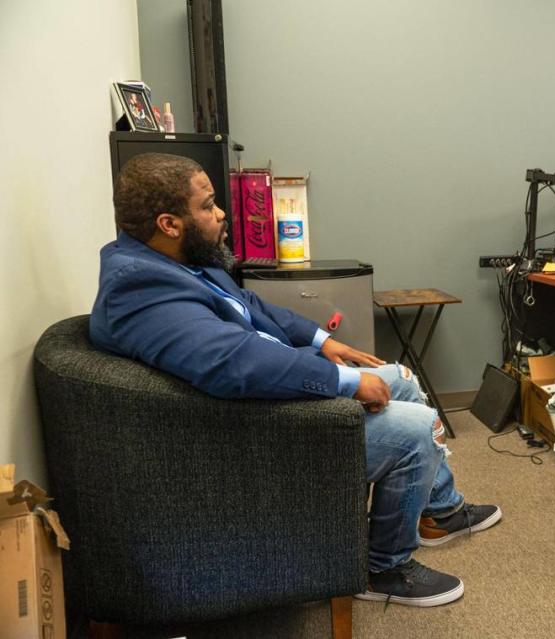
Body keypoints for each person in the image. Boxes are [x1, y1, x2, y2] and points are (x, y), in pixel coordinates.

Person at [90, 153, 502, 607]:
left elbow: (249, 304)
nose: (222, 213)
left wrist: (322, 340)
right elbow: (234, 363)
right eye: (207, 206)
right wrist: (342, 381)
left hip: (262, 395)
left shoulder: (179, 260)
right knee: (414, 431)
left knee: (399, 379)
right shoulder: (141, 288)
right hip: (244, 431)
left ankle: (439, 512)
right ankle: (382, 568)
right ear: (169, 223)